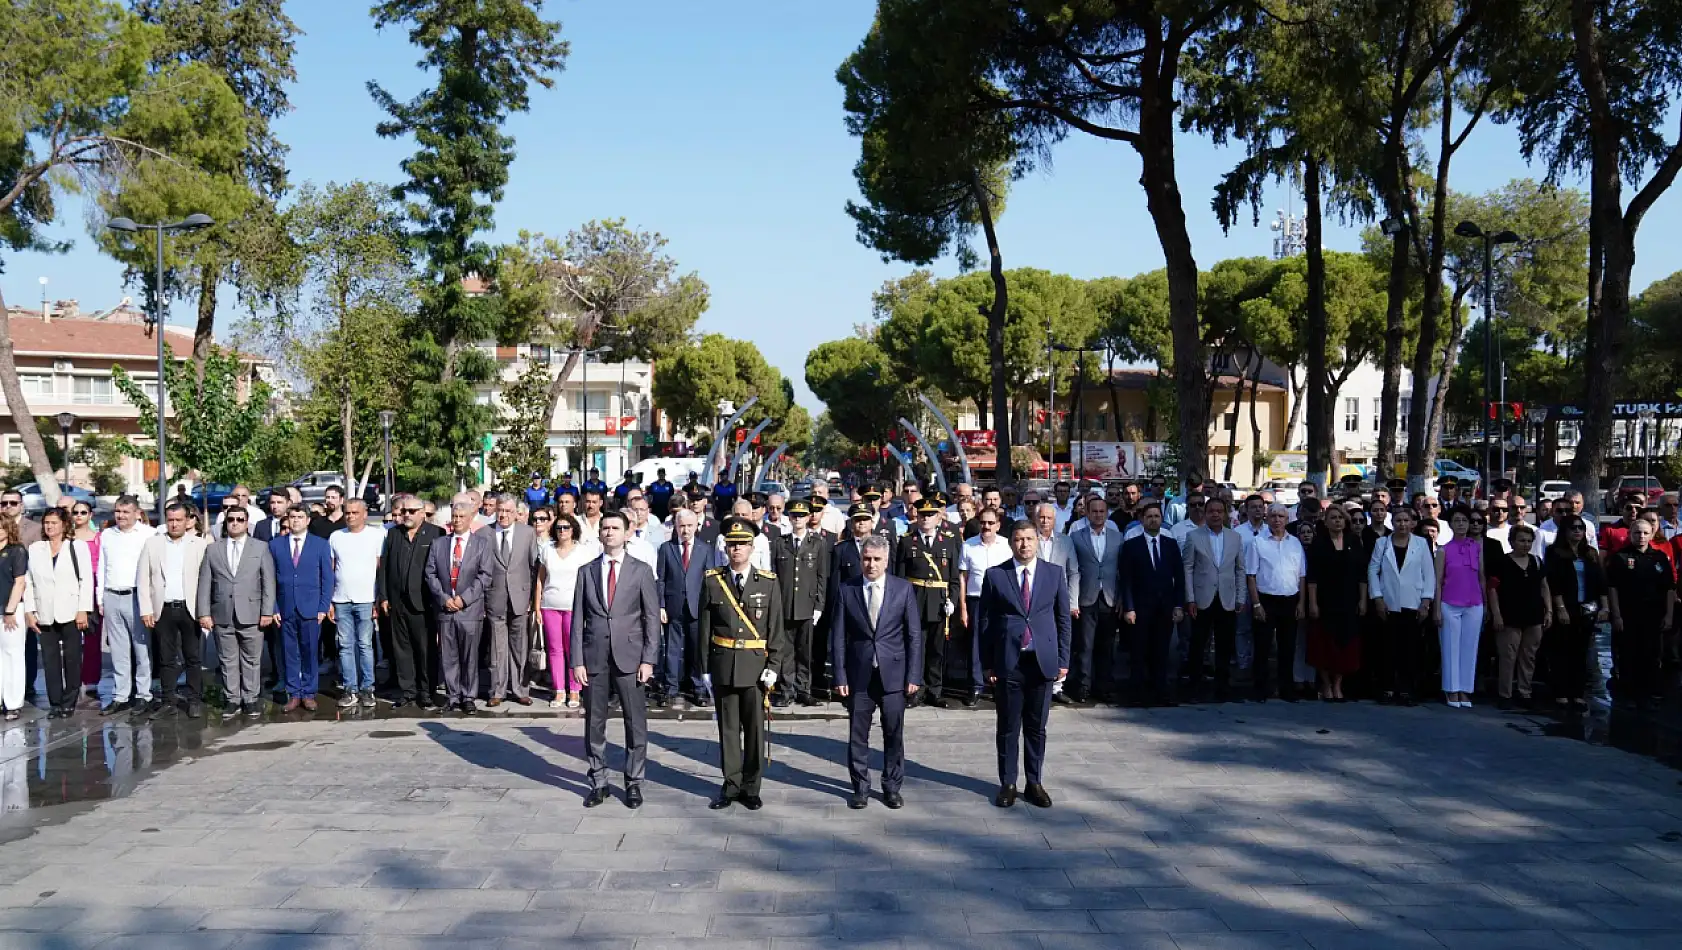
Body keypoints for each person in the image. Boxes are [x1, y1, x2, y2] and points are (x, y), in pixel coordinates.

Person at [572, 510, 660, 808]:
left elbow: (651, 618)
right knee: (594, 723)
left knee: (635, 723)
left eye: (615, 528)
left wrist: (648, 659)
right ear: (600, 534)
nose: (609, 532)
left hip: (630, 657)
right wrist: (577, 660)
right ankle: (598, 780)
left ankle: (633, 782)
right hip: (595, 656)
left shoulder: (641, 570)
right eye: (605, 528)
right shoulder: (586, 571)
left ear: (627, 533)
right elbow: (578, 619)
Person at [698, 517, 786, 811]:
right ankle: (731, 785)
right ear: (725, 547)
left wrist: (774, 663)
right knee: (728, 729)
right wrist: (705, 668)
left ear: (752, 547)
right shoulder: (713, 580)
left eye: (742, 544)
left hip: (755, 667)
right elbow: (704, 629)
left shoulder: (768, 583)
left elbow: (775, 628)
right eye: (732, 544)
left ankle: (751, 787)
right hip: (724, 664)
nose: (737, 549)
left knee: (755, 730)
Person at [981, 521, 1071, 809]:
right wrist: (987, 663)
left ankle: (1034, 782)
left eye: (1029, 539)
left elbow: (1063, 620)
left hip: (1042, 661)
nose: (1024, 545)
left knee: (1036, 727)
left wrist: (1063, 659)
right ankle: (1008, 783)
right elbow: (986, 623)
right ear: (1011, 543)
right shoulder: (996, 576)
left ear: (1037, 541)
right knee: (1007, 727)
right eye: (1019, 539)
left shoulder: (1054, 574)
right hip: (1010, 662)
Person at [832, 533, 920, 810]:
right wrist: (839, 675)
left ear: (887, 561)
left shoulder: (903, 589)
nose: (871, 564)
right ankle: (860, 787)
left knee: (893, 734)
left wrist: (913, 676)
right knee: (858, 736)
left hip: (893, 674)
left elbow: (913, 636)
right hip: (859, 675)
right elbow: (838, 637)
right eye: (866, 559)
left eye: (877, 559)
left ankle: (892, 787)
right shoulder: (847, 590)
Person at [196, 496, 275, 719]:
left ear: (246, 522)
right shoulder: (213, 550)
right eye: (231, 519)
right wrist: (204, 612)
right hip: (222, 613)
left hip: (252, 612)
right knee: (227, 659)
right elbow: (204, 583)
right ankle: (232, 699)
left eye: (240, 519)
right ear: (225, 522)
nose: (235, 523)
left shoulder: (260, 548)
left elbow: (268, 581)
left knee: (251, 659)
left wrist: (267, 611)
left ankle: (251, 698)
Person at [137, 502, 209, 717]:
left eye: (179, 520)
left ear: (188, 521)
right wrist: (146, 609)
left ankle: (194, 699)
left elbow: (206, 581)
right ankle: (168, 699)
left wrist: (205, 611)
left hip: (190, 608)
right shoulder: (153, 544)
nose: (174, 524)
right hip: (163, 608)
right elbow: (143, 579)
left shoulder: (199, 544)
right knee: (166, 657)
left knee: (192, 656)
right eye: (170, 520)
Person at [426, 495, 494, 715]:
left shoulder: (481, 545)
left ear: (470, 517)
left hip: (469, 609)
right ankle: (453, 696)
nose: (457, 520)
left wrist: (463, 599)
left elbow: (485, 576)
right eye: (454, 516)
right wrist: (444, 598)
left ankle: (469, 697)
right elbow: (430, 574)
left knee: (469, 656)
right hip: (445, 609)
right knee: (449, 655)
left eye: (461, 516)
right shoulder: (439, 544)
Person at [23, 509, 93, 719]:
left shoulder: (76, 546)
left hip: (71, 611)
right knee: (50, 660)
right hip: (45, 612)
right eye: (46, 523)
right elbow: (29, 581)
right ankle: (55, 703)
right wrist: (30, 610)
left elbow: (86, 579)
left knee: (72, 659)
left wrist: (83, 609)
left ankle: (69, 702)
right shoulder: (36, 548)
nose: (50, 526)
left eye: (54, 522)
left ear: (64, 524)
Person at [376, 495, 442, 709]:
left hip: (423, 602)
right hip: (397, 601)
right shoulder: (394, 534)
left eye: (411, 511)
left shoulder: (436, 534)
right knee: (402, 648)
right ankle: (408, 692)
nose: (406, 515)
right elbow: (384, 567)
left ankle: (426, 692)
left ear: (423, 513)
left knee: (424, 649)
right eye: (404, 511)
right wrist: (384, 596)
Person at [895, 496, 961, 709]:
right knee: (916, 647)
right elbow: (900, 577)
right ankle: (916, 689)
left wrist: (953, 600)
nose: (925, 518)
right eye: (922, 514)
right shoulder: (906, 541)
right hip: (915, 599)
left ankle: (935, 690)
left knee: (937, 649)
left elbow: (953, 577)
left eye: (930, 514)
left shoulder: (949, 540)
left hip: (939, 602)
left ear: (939, 517)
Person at [1119, 503, 1185, 707]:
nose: (1154, 519)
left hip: (1165, 607)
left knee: (1162, 651)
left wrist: (1178, 605)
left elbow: (1179, 577)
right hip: (1140, 607)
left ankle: (1161, 692)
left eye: (1157, 516)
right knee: (1139, 651)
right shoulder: (1132, 545)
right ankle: (1137, 694)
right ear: (1142, 519)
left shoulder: (1170, 543)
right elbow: (1126, 579)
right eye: (1149, 516)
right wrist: (1129, 607)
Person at [1365, 506, 1433, 705]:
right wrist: (1377, 598)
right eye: (1398, 521)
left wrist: (1426, 601)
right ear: (1392, 523)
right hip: (1388, 603)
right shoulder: (1382, 543)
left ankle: (1406, 689)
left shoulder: (1421, 543)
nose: (1402, 524)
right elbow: (1373, 570)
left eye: (1406, 521)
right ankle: (1386, 688)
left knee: (1410, 651)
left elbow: (1428, 574)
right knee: (1387, 649)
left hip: (1413, 603)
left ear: (1412, 523)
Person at [269, 506, 333, 712]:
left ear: (307, 520)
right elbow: (269, 580)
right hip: (285, 607)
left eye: (300, 517)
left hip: (311, 608)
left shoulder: (320, 545)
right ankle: (294, 693)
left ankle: (309, 693)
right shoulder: (275, 545)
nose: (296, 520)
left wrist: (323, 606)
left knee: (310, 652)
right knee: (289, 653)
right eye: (292, 517)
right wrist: (273, 607)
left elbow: (327, 578)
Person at [1607, 518, 1675, 709]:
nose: (1642, 536)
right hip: (1628, 614)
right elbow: (1613, 588)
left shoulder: (1659, 558)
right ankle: (1629, 693)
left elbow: (1669, 588)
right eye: (1637, 532)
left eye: (1646, 533)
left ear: (1652, 534)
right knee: (1629, 654)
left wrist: (1669, 615)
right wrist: (1617, 615)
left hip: (1654, 614)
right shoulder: (1620, 557)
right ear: (1630, 534)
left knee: (1653, 654)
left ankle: (1650, 692)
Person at [1181, 497, 1244, 703]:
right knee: (1198, 643)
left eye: (1219, 511)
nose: (1215, 514)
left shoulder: (1235, 537)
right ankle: (1194, 685)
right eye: (1211, 511)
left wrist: (1240, 597)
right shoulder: (1194, 536)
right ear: (1205, 514)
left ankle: (1222, 686)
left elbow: (1240, 569)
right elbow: (1187, 568)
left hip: (1227, 597)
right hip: (1201, 597)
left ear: (1225, 513)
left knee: (1225, 644)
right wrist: (1189, 598)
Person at [1305, 503, 1367, 703]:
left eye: (1340, 518)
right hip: (1324, 601)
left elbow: (1362, 575)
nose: (1337, 521)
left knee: (1345, 643)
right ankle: (1326, 684)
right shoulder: (1319, 544)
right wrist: (1313, 603)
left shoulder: (1354, 542)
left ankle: (1338, 683)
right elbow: (1312, 577)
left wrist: (1363, 600)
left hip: (1349, 601)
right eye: (1333, 518)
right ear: (1326, 521)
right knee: (1323, 643)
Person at [655, 507, 716, 708]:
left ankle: (697, 688)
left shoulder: (705, 549)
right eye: (682, 526)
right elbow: (661, 580)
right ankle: (670, 688)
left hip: (697, 607)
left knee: (697, 650)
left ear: (696, 526)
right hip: (673, 607)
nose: (686, 530)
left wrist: (709, 607)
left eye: (690, 526)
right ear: (676, 527)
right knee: (671, 649)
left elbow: (710, 580)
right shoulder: (666, 548)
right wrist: (661, 605)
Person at [1545, 516, 1607, 712]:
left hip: (1586, 607)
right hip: (1566, 606)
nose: (1577, 531)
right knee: (1562, 650)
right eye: (1573, 528)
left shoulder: (1590, 553)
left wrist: (1604, 607)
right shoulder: (1555, 553)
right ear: (1565, 531)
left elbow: (1600, 582)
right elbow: (1553, 583)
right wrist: (1560, 608)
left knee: (1581, 652)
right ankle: (1561, 692)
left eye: (1581, 528)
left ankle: (1577, 694)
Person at [483, 493, 539, 708]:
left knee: (519, 646)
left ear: (516, 513)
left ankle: (520, 689)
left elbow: (534, 568)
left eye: (508, 511)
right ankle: (497, 690)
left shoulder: (527, 533)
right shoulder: (484, 534)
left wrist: (532, 598)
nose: (503, 515)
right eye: (500, 510)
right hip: (494, 597)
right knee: (497, 647)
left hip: (520, 597)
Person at [95, 496, 151, 714]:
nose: (121, 516)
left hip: (136, 596)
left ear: (137, 513)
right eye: (118, 511)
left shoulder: (148, 534)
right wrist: (100, 598)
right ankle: (121, 695)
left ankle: (144, 695)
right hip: (112, 595)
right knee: (118, 650)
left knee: (141, 648)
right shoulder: (108, 535)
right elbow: (102, 567)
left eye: (126, 512)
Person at [535, 510, 596, 709]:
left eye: (566, 527)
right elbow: (540, 580)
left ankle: (575, 690)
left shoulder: (583, 551)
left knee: (573, 649)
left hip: (574, 607)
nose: (562, 531)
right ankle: (559, 690)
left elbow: (589, 581)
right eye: (559, 527)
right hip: (550, 605)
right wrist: (537, 607)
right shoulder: (547, 549)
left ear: (573, 530)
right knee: (554, 650)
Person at [1488, 523, 1552, 710]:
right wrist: (1496, 614)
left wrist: (1548, 610)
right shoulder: (1501, 562)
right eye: (1521, 540)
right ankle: (1505, 694)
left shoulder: (1537, 561)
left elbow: (1544, 586)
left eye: (1529, 541)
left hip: (1533, 616)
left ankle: (1525, 692)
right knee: (1508, 656)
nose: (1526, 544)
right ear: (1512, 542)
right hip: (1509, 616)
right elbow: (1492, 589)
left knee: (1529, 656)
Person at [327, 499, 384, 709]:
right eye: (348, 513)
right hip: (341, 599)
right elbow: (331, 570)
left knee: (365, 645)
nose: (351, 516)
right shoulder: (336, 537)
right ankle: (350, 688)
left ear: (365, 514)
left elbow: (381, 569)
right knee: (344, 646)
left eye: (355, 512)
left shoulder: (377, 535)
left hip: (367, 599)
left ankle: (367, 688)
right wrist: (329, 602)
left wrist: (379, 599)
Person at [773, 498, 830, 707]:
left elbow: (822, 577)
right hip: (786, 605)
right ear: (789, 518)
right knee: (786, 651)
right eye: (794, 515)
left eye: (802, 515)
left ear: (808, 517)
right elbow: (775, 576)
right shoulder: (781, 543)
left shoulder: (818, 544)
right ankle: (787, 689)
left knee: (805, 651)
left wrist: (819, 605)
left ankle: (804, 688)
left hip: (807, 606)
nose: (798, 519)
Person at [1246, 504, 1306, 703]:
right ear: (1267, 518)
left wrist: (1301, 603)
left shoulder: (1295, 543)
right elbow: (1251, 575)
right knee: (1262, 647)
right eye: (1273, 516)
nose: (1277, 519)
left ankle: (1286, 689)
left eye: (1281, 516)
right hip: (1266, 600)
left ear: (1287, 519)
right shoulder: (1258, 542)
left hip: (1290, 600)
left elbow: (1302, 576)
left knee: (1287, 647)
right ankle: (1260, 689)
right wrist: (1256, 604)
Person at [1067, 495, 1123, 704]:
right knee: (1085, 645)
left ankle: (1104, 686)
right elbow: (1073, 569)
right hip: (1086, 597)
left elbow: (1122, 571)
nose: (1098, 515)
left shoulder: (1118, 537)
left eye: (1102, 511)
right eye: (1094, 511)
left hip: (1109, 597)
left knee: (1106, 646)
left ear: (1106, 513)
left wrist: (1121, 598)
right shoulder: (1077, 537)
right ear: (1087, 513)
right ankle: (1083, 686)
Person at [957, 504, 1013, 708]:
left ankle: (999, 683)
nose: (986, 526)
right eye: (983, 523)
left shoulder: (1007, 545)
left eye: (991, 523)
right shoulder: (968, 545)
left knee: (1000, 641)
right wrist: (963, 607)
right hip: (976, 599)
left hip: (1000, 600)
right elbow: (963, 577)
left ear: (998, 525)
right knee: (975, 643)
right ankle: (976, 686)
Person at [1028, 503, 1082, 705]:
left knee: (1061, 639)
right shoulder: (1029, 539)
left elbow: (1074, 571)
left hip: (1060, 598)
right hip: (1035, 599)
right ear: (1036, 519)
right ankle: (1040, 681)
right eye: (1041, 517)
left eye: (1049, 518)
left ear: (1055, 520)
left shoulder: (1065, 542)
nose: (1045, 521)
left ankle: (1058, 686)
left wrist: (1072, 601)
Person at [1434, 508, 1486, 708]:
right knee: (1450, 647)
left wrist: (1486, 605)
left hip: (1474, 603)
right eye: (1457, 520)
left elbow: (1481, 576)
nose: (1462, 524)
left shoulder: (1477, 547)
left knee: (1469, 648)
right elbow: (1438, 581)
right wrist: (1437, 609)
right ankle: (1451, 689)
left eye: (1465, 520)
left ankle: (1465, 690)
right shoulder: (1443, 550)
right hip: (1449, 603)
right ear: (1451, 524)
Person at [0, 516, 28, 719]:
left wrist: (9, 610)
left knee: (13, 655)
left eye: (2, 527)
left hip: (11, 609)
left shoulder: (16, 550)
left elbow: (19, 583)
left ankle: (13, 703)